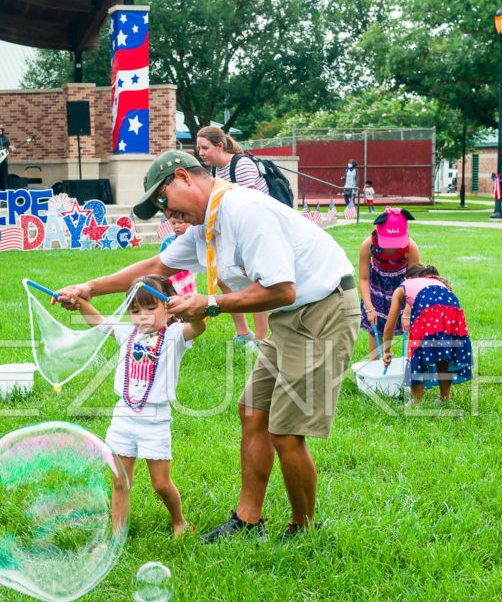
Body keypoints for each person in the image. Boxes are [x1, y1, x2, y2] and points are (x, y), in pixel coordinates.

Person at [55, 151, 358, 542]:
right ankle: (248, 521)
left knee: (285, 430)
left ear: (183, 177)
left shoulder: (243, 210)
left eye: (165, 202)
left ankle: (303, 529)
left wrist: (209, 304)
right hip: (292, 316)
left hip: (325, 309)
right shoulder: (206, 228)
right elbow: (155, 268)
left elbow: (283, 288)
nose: (168, 216)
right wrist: (87, 289)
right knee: (252, 412)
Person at [76, 275, 206, 537]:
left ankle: (179, 521)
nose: (142, 316)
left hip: (155, 419)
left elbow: (198, 327)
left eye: (150, 308)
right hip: (123, 415)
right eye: (135, 311)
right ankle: (117, 532)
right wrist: (78, 301)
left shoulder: (174, 335)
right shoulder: (127, 333)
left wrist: (191, 310)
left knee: (160, 483)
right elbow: (99, 323)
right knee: (119, 479)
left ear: (168, 308)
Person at [196, 125, 269, 348]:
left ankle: (262, 340)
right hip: (230, 231)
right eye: (198, 148)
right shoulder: (215, 171)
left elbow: (246, 205)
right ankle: (243, 333)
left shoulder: (242, 164)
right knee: (223, 277)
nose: (201, 153)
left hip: (255, 229)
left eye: (205, 148)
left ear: (220, 146)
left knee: (255, 284)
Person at [383, 264, 472, 405]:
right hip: (453, 307)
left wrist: (387, 350)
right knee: (445, 352)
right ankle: (444, 399)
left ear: (407, 278)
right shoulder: (437, 282)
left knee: (417, 353)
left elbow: (390, 324)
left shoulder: (403, 286)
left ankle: (416, 402)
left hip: (427, 305)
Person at [358, 208, 420, 359]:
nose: (391, 246)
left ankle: (409, 365)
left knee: (409, 325)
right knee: (376, 328)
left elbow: (414, 283)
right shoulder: (369, 245)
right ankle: (377, 366)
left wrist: (407, 310)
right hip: (377, 286)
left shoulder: (410, 248)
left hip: (402, 286)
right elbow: (363, 278)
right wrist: (369, 307)